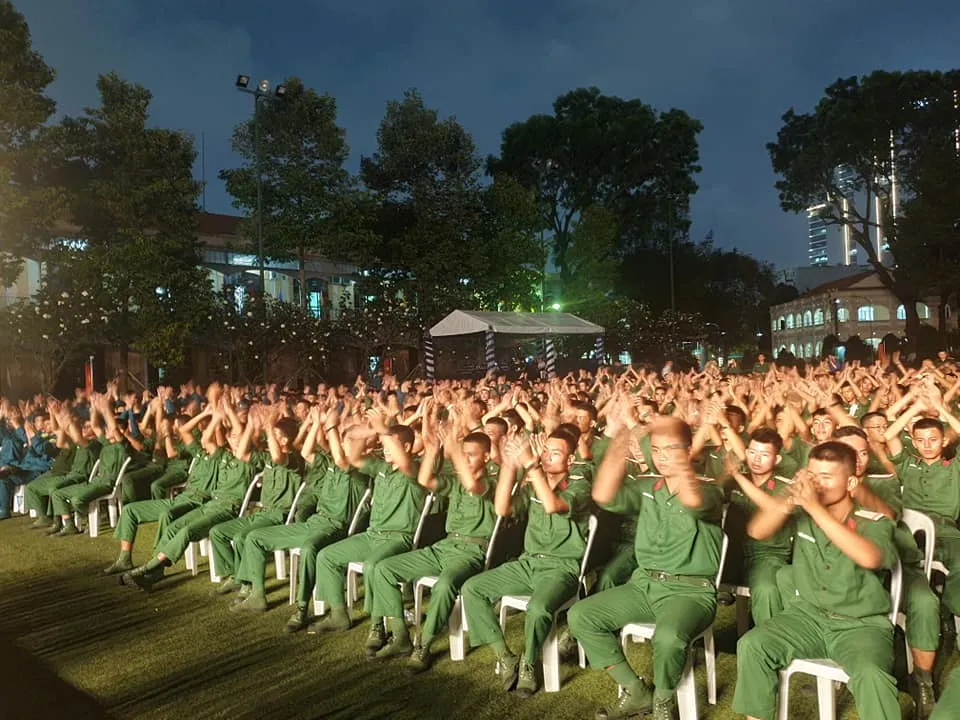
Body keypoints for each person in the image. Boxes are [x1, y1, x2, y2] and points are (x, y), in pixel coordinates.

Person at [732, 442, 901, 720]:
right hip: (807, 617)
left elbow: (870, 558)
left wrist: (814, 508)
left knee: (872, 675)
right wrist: (790, 494)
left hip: (859, 625)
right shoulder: (803, 513)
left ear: (851, 482)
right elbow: (757, 530)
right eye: (812, 476)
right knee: (753, 645)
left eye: (826, 477)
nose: (817, 485)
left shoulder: (872, 520)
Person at [569, 417, 724, 720]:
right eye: (656, 450)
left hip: (690, 592)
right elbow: (603, 495)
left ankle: (663, 700)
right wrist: (619, 440)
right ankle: (636, 691)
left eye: (671, 449)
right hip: (644, 585)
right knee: (581, 615)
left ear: (689, 450)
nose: (662, 457)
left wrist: (684, 462)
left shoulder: (709, 489)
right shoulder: (648, 487)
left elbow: (693, 501)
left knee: (668, 637)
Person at [460, 427, 592, 698]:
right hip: (528, 563)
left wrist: (532, 466)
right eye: (545, 450)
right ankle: (505, 656)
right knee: (472, 588)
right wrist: (510, 466)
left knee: (538, 607)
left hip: (561, 568)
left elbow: (552, 505)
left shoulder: (580, 486)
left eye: (555, 453)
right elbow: (502, 508)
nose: (547, 456)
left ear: (570, 460)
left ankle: (529, 663)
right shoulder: (533, 484)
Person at [366, 413, 499, 672]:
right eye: (464, 454)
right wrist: (432, 448)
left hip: (472, 551)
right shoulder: (456, 481)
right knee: (383, 569)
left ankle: (423, 644)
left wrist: (454, 449)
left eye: (471, 455)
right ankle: (400, 635)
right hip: (445, 546)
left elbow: (473, 485)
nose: (465, 459)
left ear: (486, 457)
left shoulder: (493, 481)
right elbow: (425, 480)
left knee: (445, 584)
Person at [834, 424, 940, 717]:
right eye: (849, 453)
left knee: (925, 602)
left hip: (898, 564)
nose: (857, 459)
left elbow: (888, 514)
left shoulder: (884, 482)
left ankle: (923, 681)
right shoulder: (825, 486)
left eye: (863, 453)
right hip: (852, 571)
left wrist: (855, 487)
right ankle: (836, 667)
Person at [233, 404, 368, 620]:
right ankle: (257, 594)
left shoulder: (362, 470)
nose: (343, 444)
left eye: (349, 441)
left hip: (336, 527)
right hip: (315, 522)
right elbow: (306, 451)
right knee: (254, 538)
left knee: (308, 548)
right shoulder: (330, 463)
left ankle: (302, 607)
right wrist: (315, 423)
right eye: (344, 440)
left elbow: (341, 460)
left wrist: (331, 426)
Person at [308, 411, 426, 649]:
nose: (385, 449)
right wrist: (370, 429)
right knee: (326, 556)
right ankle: (338, 614)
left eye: (390, 444)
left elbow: (405, 463)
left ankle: (380, 626)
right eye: (384, 444)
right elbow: (352, 455)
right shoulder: (381, 467)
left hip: (398, 538)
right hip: (373, 535)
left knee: (373, 566)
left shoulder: (415, 468)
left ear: (406, 446)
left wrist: (384, 430)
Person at [120, 400, 257, 592]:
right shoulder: (223, 456)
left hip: (228, 507)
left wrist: (228, 412)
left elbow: (239, 433)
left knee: (186, 531)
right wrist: (214, 416)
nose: (235, 438)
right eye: (232, 436)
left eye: (238, 437)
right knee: (173, 528)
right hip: (211, 505)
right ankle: (155, 571)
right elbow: (205, 439)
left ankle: (147, 569)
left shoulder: (248, 459)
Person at [208, 406, 302, 604]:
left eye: (275, 436)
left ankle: (247, 586)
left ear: (285, 440)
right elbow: (241, 454)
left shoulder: (295, 458)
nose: (269, 439)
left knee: (242, 537)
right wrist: (250, 426)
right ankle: (237, 576)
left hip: (279, 515)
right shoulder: (268, 457)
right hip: (262, 513)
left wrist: (268, 426)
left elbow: (278, 458)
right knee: (217, 532)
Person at [724, 427, 794, 625]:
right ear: (746, 453)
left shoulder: (784, 486)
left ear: (777, 459)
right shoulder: (732, 483)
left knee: (767, 589)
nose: (756, 459)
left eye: (764, 455)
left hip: (767, 556)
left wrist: (737, 475)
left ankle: (769, 639)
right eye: (752, 452)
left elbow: (772, 507)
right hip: (732, 554)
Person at [48, 394, 130, 536]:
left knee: (77, 500)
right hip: (94, 482)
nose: (107, 430)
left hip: (106, 483)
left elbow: (113, 429)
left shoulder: (122, 446)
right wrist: (94, 408)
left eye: (109, 429)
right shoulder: (106, 443)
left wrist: (106, 409)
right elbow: (95, 425)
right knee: (57, 493)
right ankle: (69, 525)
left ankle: (90, 518)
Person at [25, 404, 99, 528]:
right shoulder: (78, 442)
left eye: (88, 427)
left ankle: (62, 523)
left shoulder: (94, 444)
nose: (85, 430)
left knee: (54, 489)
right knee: (33, 486)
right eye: (84, 427)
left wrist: (65, 420)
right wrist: (58, 416)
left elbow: (75, 437)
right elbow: (60, 433)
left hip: (78, 477)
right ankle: (51, 520)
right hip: (70, 475)